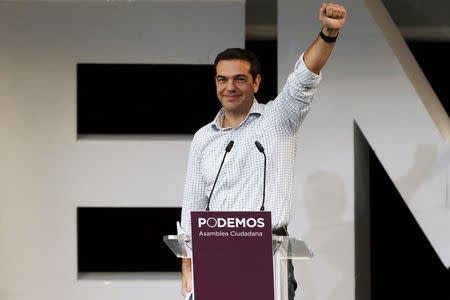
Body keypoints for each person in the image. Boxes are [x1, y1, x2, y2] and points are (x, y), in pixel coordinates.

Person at [180, 2, 347, 299]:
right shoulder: (203, 138)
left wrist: (327, 34)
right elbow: (192, 209)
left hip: (268, 253)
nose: (229, 86)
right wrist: (188, 270)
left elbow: (304, 77)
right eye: (222, 79)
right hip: (214, 255)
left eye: (239, 78)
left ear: (256, 82)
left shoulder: (277, 119)